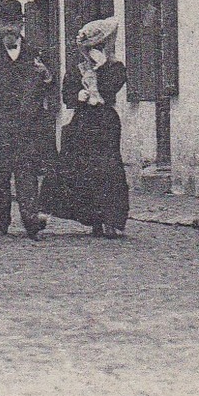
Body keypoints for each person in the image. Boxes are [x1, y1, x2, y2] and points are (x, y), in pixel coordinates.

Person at [0, 0, 53, 239]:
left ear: (21, 26)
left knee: (27, 174)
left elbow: (48, 85)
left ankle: (31, 220)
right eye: (5, 24)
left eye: (14, 24)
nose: (9, 29)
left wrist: (46, 76)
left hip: (27, 126)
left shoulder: (34, 52)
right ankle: (2, 223)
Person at [47, 18, 129, 237]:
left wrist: (101, 70)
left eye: (99, 47)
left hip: (105, 121)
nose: (95, 51)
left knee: (109, 169)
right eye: (91, 47)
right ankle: (94, 219)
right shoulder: (77, 69)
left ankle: (111, 219)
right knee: (86, 171)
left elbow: (113, 86)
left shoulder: (115, 67)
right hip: (83, 122)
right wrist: (78, 94)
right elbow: (67, 95)